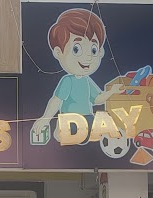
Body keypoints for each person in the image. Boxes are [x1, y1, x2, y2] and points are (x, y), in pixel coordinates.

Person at [32, 9, 123, 144]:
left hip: (87, 119)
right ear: (58, 52)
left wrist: (112, 91)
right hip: (69, 120)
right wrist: (45, 118)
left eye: (93, 49)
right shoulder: (67, 80)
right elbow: (56, 100)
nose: (88, 56)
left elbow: (97, 99)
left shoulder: (87, 80)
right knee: (62, 137)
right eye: (77, 49)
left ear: (100, 52)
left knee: (90, 139)